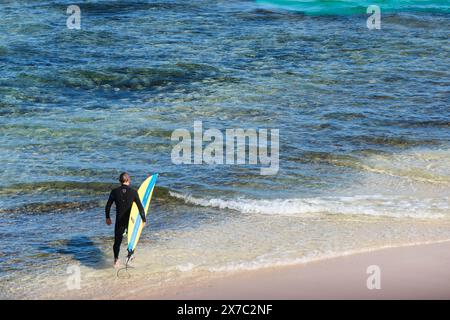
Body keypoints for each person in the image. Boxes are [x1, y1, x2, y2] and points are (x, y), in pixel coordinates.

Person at [105, 172, 146, 268]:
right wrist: (143, 220)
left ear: (120, 181)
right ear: (128, 180)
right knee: (132, 239)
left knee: (117, 241)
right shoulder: (133, 192)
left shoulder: (114, 191)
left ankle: (116, 260)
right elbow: (140, 208)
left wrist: (107, 217)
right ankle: (129, 257)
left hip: (119, 221)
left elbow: (108, 206)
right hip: (130, 221)